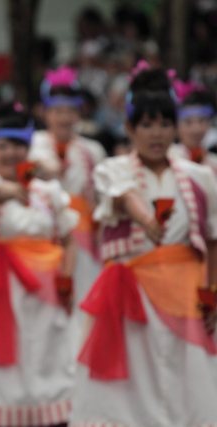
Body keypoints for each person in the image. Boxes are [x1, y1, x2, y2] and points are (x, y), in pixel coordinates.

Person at [69, 66, 217, 427]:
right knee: (132, 386)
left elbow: (212, 240)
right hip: (131, 298)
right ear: (130, 129)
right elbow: (124, 196)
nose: (158, 134)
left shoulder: (199, 177)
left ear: (176, 128)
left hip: (186, 295)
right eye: (147, 125)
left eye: (165, 124)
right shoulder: (112, 168)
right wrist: (147, 221)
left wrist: (211, 292)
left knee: (189, 379)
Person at [0, 104, 78, 426]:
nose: (11, 153)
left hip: (45, 295)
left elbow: (68, 238)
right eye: (3, 145)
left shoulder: (48, 193)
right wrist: (2, 194)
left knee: (46, 357)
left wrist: (67, 278)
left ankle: (49, 417)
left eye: (18, 145)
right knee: (1, 366)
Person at [29, 65, 104, 309]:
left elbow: (99, 200)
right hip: (42, 234)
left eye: (71, 111)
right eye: (58, 110)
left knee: (82, 295)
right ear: (45, 112)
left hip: (82, 237)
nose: (64, 117)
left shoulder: (92, 150)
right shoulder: (33, 144)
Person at [168, 77, 217, 175]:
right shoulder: (167, 159)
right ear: (175, 125)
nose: (196, 129)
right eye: (188, 122)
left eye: (202, 121)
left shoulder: (213, 161)